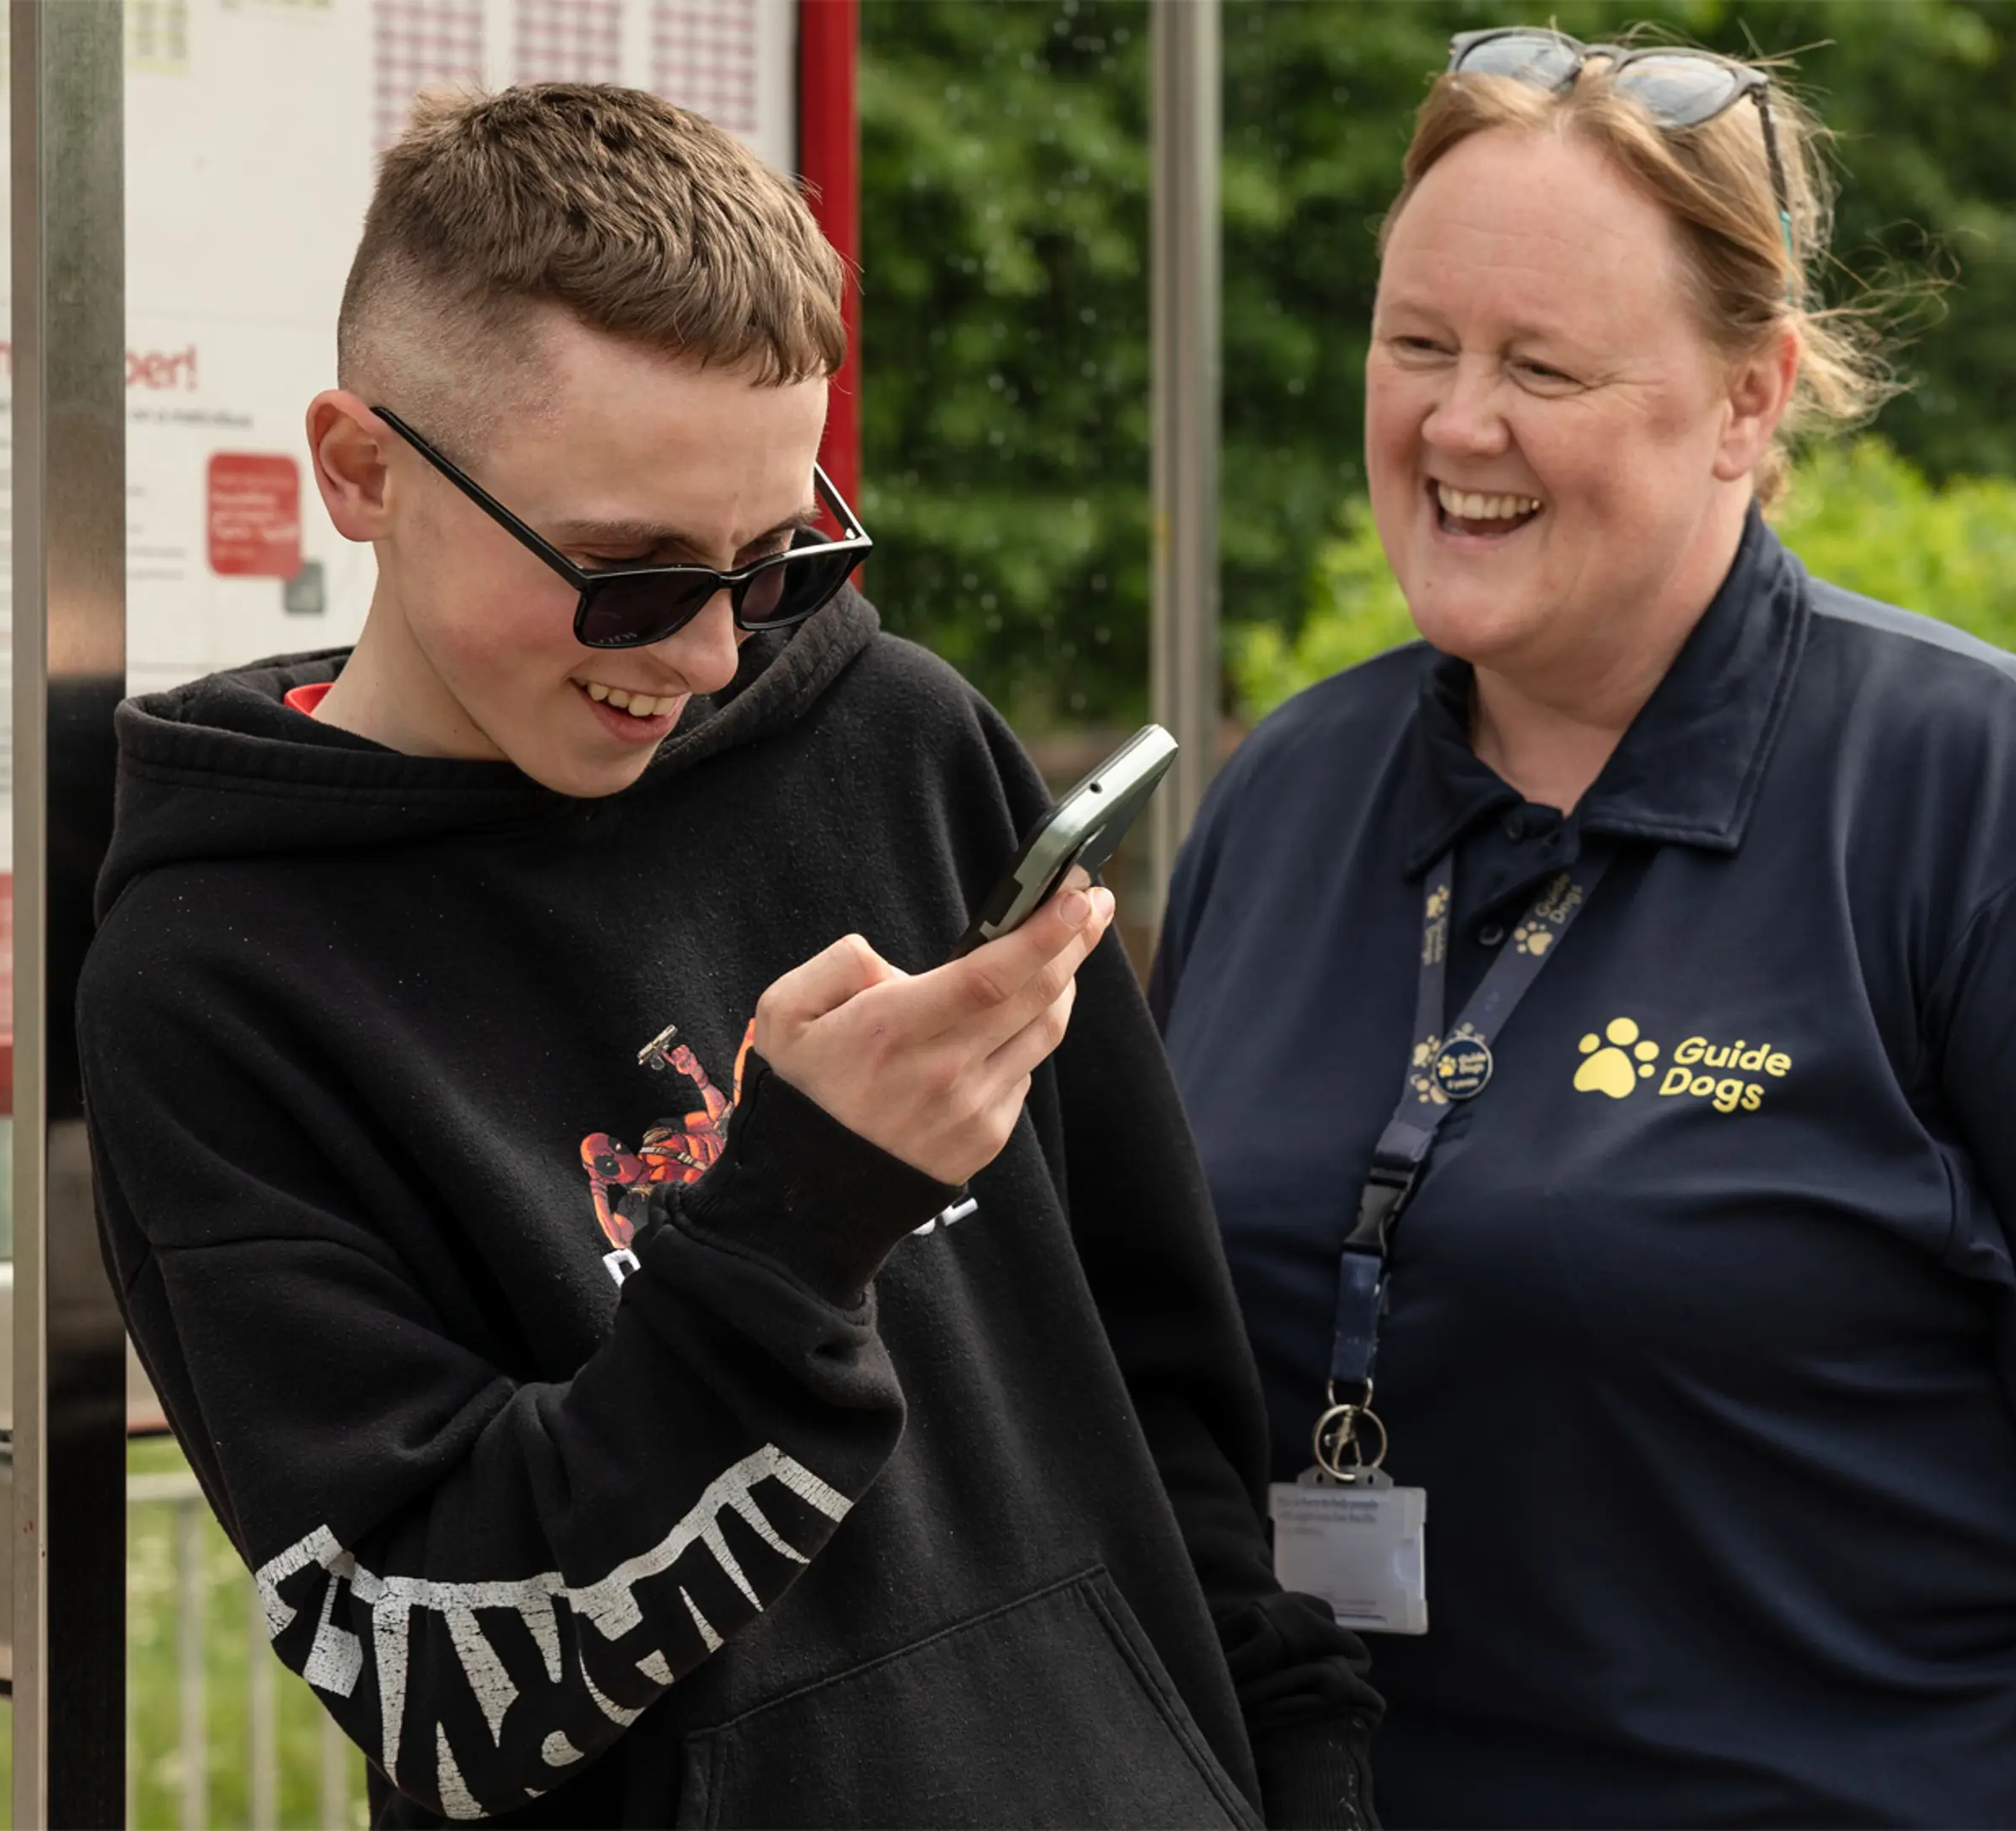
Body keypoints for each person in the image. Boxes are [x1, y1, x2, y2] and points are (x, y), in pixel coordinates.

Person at [1147, 28, 2016, 1829]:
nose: (1454, 423)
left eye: (1545, 367)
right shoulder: (1283, 802)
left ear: (1755, 397)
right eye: (1416, 343)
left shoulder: (1995, 800)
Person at [81, 84, 1376, 1829]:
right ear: (362, 470)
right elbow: (450, 1681)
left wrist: (1303, 1781)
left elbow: (1162, 1399)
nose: (704, 654)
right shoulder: (218, 975)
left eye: (776, 561)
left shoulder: (901, 743)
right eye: (624, 576)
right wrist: (793, 1222)